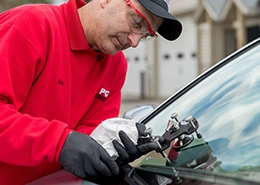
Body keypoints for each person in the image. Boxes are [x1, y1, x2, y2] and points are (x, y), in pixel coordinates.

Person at [0, 0, 182, 184]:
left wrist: (121, 147)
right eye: (136, 22)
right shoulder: (31, 25)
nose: (134, 42)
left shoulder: (116, 65)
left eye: (145, 35)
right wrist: (59, 143)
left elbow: (92, 136)